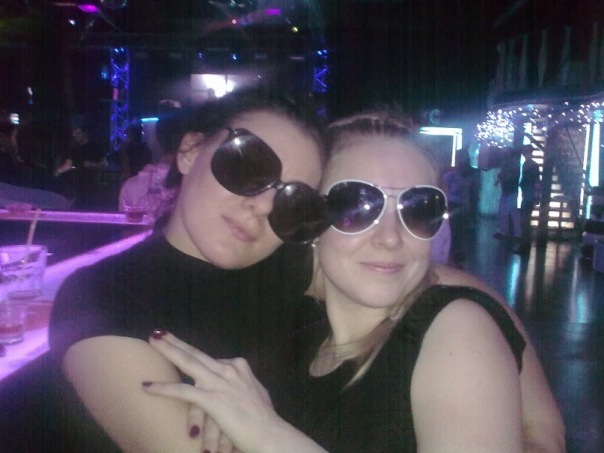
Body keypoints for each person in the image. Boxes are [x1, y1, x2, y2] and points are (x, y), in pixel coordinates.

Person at [141, 111, 565, 453]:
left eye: (418, 209)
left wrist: (267, 435)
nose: (390, 238)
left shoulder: (454, 330)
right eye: (355, 206)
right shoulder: (291, 333)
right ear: (309, 219)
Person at [48, 88, 329, 452]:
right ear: (189, 151)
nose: (263, 206)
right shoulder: (99, 296)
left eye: (293, 200)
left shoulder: (296, 271)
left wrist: (260, 427)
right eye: (248, 167)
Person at [55, 122, 109, 209]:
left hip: (91, 183)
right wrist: (58, 172)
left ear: (85, 133)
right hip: (77, 184)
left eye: (78, 133)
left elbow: (105, 164)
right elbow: (68, 165)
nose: (76, 136)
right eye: (74, 134)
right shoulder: (73, 149)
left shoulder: (95, 147)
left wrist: (92, 165)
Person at [515, 144, 541, 255]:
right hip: (528, 195)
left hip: (528, 195)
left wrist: (536, 196)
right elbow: (537, 182)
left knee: (525, 221)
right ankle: (525, 245)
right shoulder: (531, 165)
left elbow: (535, 182)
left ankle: (525, 245)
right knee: (525, 221)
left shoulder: (530, 165)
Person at [494, 146, 521, 242]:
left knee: (512, 213)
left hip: (510, 190)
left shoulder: (513, 164)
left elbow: (510, 176)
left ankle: (515, 233)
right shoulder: (508, 164)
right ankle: (505, 232)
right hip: (507, 190)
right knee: (505, 212)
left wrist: (501, 178)